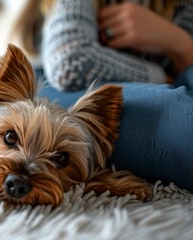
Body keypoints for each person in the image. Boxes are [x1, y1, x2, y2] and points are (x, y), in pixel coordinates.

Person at [12, 0, 193, 191]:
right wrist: (162, 76)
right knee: (179, 118)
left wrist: (180, 44)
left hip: (165, 86)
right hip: (58, 86)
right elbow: (69, 62)